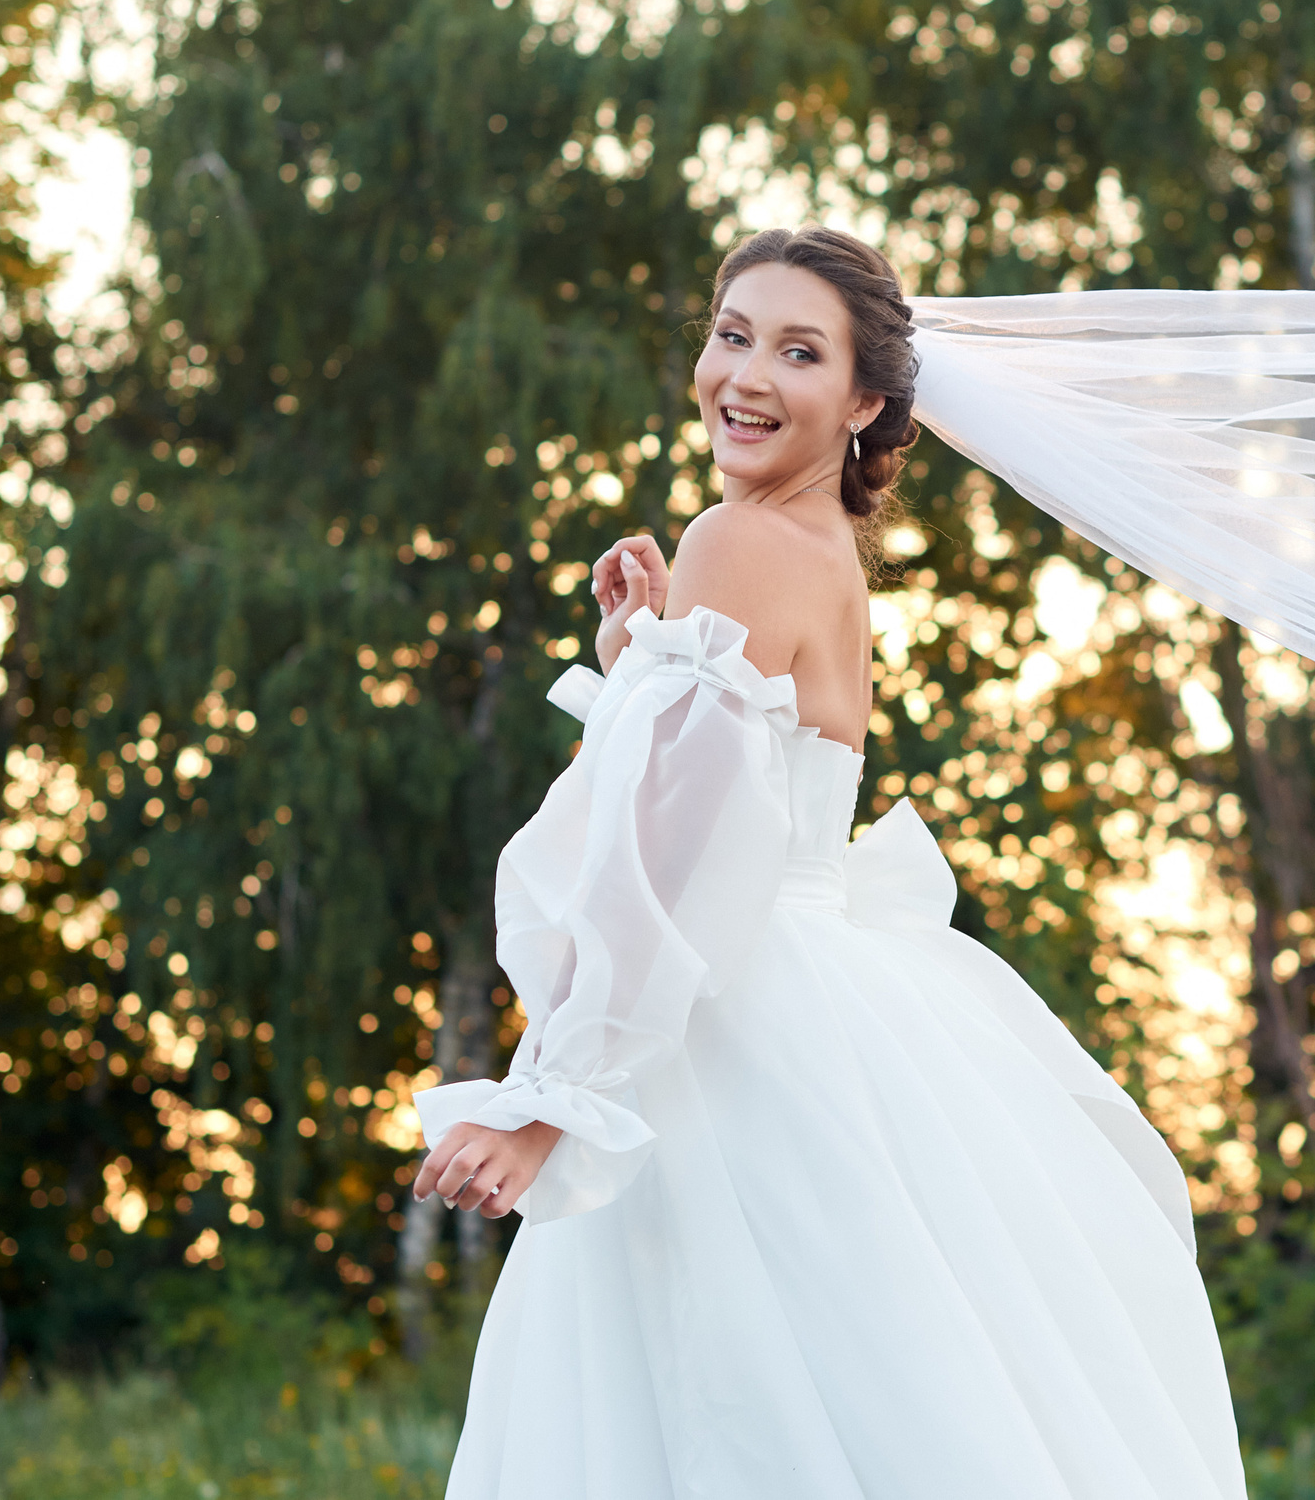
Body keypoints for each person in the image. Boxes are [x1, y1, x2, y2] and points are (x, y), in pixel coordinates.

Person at [410, 226, 1246, 1499]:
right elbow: (735, 792)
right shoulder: (816, 555)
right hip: (815, 996)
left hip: (724, 1027)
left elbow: (673, 852)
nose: (743, 374)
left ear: (863, 402)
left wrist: (550, 1097)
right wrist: (642, 651)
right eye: (731, 333)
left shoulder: (736, 542)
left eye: (797, 351)